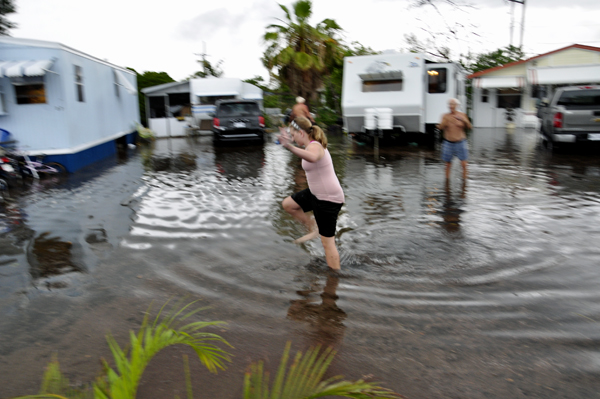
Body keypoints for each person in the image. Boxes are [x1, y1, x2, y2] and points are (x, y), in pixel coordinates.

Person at [277, 116, 345, 271]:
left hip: (329, 199)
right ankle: (313, 228)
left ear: (301, 133)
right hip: (315, 194)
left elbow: (313, 157)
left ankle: (334, 278)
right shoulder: (308, 146)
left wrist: (289, 146)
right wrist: (288, 140)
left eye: (294, 135)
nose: (293, 139)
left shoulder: (315, 146)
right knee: (288, 204)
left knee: (327, 243)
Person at [436, 98, 472, 180]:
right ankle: (447, 183)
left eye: (453, 104)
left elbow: (470, 127)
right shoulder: (445, 116)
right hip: (448, 143)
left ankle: (464, 183)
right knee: (447, 165)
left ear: (457, 106)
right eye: (449, 104)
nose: (451, 106)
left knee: (464, 165)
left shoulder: (462, 115)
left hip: (461, 142)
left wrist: (465, 121)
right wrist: (444, 122)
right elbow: (439, 127)